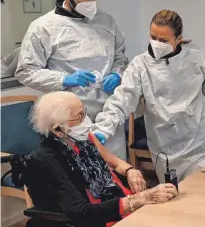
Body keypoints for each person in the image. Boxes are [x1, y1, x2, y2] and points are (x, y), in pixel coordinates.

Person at [92, 10, 205, 182]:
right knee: (173, 196)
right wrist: (103, 128)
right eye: (153, 37)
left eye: (163, 40)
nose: (156, 43)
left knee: (201, 195)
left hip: (198, 143)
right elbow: (123, 99)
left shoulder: (198, 59)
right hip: (163, 145)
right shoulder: (140, 65)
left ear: (178, 39)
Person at [15, 0, 128, 160]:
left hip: (107, 114)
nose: (92, 1)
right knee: (77, 180)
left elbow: (120, 57)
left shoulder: (107, 22)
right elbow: (26, 71)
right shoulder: (43, 28)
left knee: (116, 174)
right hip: (68, 119)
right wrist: (64, 80)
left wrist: (117, 74)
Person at [27, 92, 177, 227]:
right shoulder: (46, 159)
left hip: (121, 202)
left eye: (84, 112)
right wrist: (139, 200)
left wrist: (130, 171)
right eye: (79, 116)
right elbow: (81, 212)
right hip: (102, 217)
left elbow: (114, 161)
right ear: (58, 130)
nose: (86, 120)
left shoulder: (84, 138)